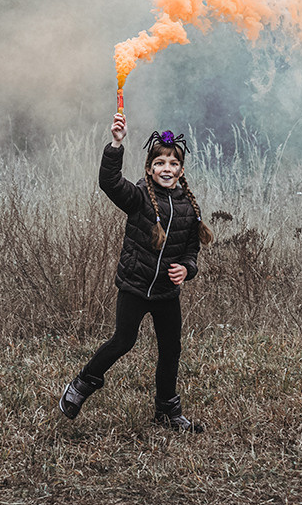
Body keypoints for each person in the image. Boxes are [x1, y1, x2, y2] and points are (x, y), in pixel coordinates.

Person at [59, 113, 213, 432]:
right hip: (135, 286)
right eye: (159, 163)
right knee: (123, 341)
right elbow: (109, 182)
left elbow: (191, 251)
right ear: (150, 168)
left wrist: (187, 269)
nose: (166, 168)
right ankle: (81, 386)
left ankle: (167, 412)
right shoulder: (139, 197)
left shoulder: (189, 208)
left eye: (172, 163)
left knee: (171, 350)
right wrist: (117, 143)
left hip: (166, 294)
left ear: (181, 171)